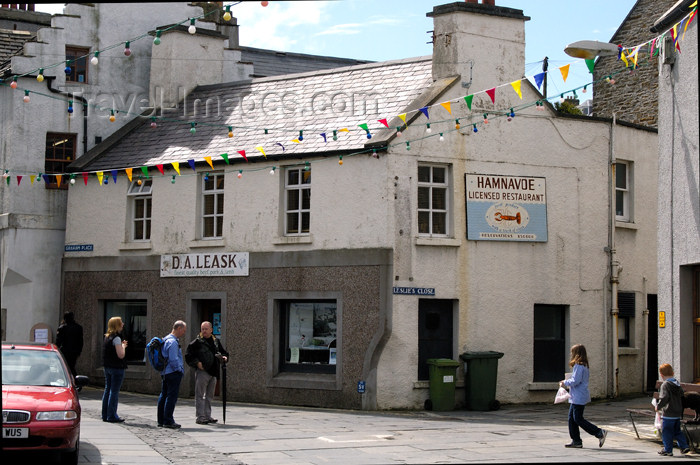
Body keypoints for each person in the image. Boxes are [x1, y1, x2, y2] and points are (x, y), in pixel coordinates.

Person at [559, 344, 607, 449]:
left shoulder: (579, 365)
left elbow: (575, 381)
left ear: (576, 354)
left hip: (578, 396)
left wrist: (565, 382)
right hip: (577, 395)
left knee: (578, 419)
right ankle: (576, 441)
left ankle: (599, 432)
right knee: (571, 418)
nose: (571, 354)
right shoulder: (583, 365)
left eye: (572, 352)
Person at [185, 321, 229, 425]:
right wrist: (197, 363)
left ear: (211, 330)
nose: (204, 331)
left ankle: (207, 416)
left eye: (206, 329)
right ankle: (200, 417)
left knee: (209, 396)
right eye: (202, 329)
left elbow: (224, 352)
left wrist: (225, 358)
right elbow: (188, 355)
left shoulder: (216, 341)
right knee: (200, 395)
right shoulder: (197, 342)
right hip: (203, 372)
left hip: (213, 372)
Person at [656, 363, 691, 456]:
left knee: (667, 432)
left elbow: (664, 398)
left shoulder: (665, 385)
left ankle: (668, 450)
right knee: (677, 431)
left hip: (669, 413)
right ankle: (684, 446)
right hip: (677, 413)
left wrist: (658, 406)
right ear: (673, 373)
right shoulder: (677, 384)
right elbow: (682, 396)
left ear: (661, 375)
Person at [157, 320, 187, 429]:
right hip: (172, 373)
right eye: (183, 330)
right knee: (171, 397)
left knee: (163, 395)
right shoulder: (173, 342)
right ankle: (168, 420)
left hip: (165, 372)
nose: (184, 333)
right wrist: (179, 370)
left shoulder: (165, 339)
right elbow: (173, 359)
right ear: (178, 328)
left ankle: (161, 419)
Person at [102, 316, 128, 423]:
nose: (123, 324)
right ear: (117, 325)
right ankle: (112, 415)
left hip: (107, 367)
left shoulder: (107, 337)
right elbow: (120, 355)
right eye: (121, 323)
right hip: (117, 368)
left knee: (107, 390)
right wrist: (123, 346)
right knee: (114, 391)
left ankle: (105, 414)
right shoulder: (117, 338)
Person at [56, 311, 83, 376]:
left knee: (66, 367)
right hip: (74, 352)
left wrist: (57, 351)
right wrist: (79, 351)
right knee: (71, 366)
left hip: (64, 351)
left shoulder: (62, 328)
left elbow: (58, 342)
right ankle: (75, 380)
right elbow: (81, 341)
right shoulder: (78, 327)